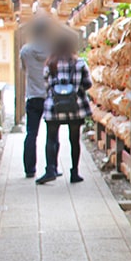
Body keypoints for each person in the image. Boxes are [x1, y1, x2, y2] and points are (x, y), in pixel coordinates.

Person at [36, 35, 92, 185]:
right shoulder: (80, 64)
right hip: (75, 107)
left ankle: (50, 169)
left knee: (51, 138)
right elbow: (88, 84)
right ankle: (74, 172)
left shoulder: (50, 64)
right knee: (74, 140)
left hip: (54, 107)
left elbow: (46, 85)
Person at [19, 17, 52, 178]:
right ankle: (51, 167)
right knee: (52, 134)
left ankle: (30, 169)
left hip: (33, 96)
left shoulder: (25, 50)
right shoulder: (52, 50)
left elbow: (23, 69)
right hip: (49, 96)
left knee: (31, 133)